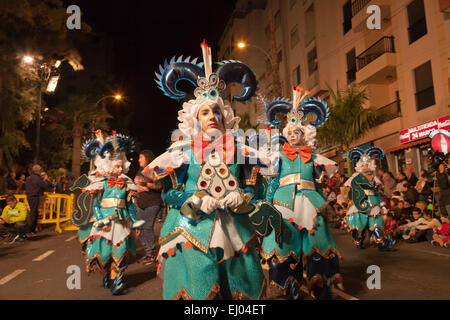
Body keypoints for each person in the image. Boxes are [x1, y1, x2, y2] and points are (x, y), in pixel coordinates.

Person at [146, 41, 271, 300]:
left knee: (238, 283)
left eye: (216, 111)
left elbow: (255, 188)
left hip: (235, 226)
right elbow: (169, 194)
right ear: (196, 119)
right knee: (202, 284)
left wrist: (244, 197)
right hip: (193, 226)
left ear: (224, 116)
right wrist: (192, 199)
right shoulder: (180, 152)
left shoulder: (241, 150)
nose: (212, 116)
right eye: (205, 112)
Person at [261, 86, 343, 300]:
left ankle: (320, 286)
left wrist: (324, 203)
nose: (292, 135)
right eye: (289, 133)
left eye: (296, 132)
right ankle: (287, 287)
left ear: (304, 134)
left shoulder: (314, 157)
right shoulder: (279, 156)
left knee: (318, 243)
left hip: (310, 203)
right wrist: (268, 205)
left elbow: (318, 185)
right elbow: (273, 183)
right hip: (283, 203)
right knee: (284, 246)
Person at [77, 130, 145, 295]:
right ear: (106, 165)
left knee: (121, 251)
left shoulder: (127, 183)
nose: (120, 168)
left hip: (122, 223)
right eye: (116, 165)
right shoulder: (100, 183)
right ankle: (107, 276)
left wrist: (134, 222)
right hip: (105, 224)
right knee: (105, 253)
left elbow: (130, 206)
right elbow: (96, 205)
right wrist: (101, 220)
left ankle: (117, 281)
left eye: (121, 165)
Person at [344, 147, 395, 250]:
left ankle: (381, 242)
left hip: (373, 203)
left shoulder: (374, 178)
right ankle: (359, 241)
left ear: (370, 166)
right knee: (358, 223)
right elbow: (350, 192)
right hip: (359, 202)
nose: (364, 167)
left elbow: (377, 193)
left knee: (376, 223)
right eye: (362, 165)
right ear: (358, 166)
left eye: (366, 165)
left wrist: (382, 205)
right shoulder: (355, 177)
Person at [134, 149, 163, 266]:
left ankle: (150, 253)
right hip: (140, 203)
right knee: (139, 228)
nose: (139, 160)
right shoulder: (140, 170)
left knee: (148, 227)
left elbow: (160, 185)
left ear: (147, 158)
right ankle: (148, 251)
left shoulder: (155, 169)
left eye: (141, 157)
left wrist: (146, 184)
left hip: (153, 202)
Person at [25, 165, 53, 234]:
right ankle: (31, 229)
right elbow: (44, 185)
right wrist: (45, 180)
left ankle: (32, 229)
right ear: (38, 171)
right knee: (33, 213)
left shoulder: (29, 178)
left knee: (33, 212)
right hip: (34, 196)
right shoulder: (37, 178)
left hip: (29, 196)